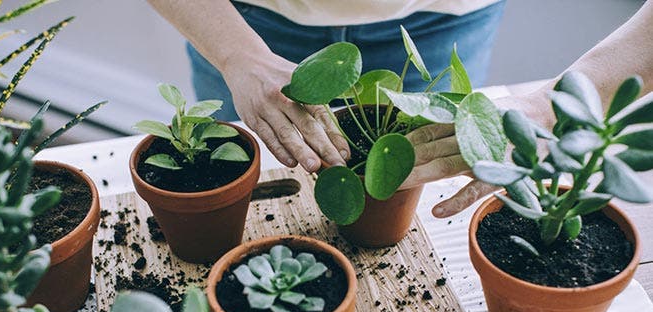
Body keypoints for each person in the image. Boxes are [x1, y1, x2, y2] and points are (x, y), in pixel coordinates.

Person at [149, 0, 653, 217]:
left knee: (420, 165)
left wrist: (551, 105)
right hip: (240, 20)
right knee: (229, 181)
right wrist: (236, 53)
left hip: (444, 22)